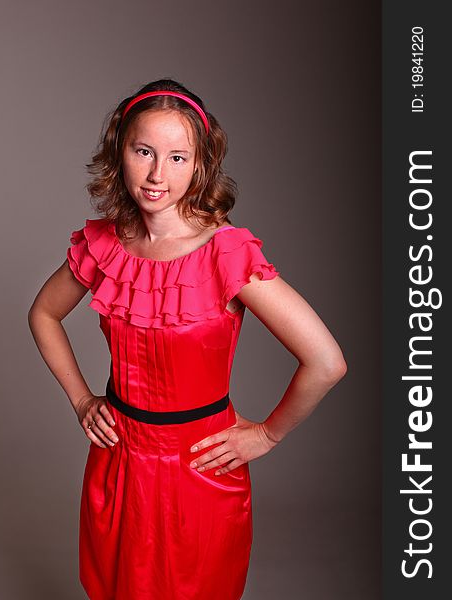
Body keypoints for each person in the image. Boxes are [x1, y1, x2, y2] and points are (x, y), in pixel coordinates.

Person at [28, 78, 347, 600]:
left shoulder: (228, 253)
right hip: (120, 458)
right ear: (120, 151)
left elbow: (326, 361)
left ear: (200, 165)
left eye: (178, 157)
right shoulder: (103, 244)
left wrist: (266, 435)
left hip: (199, 466)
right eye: (144, 151)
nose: (157, 174)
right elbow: (43, 313)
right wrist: (82, 398)